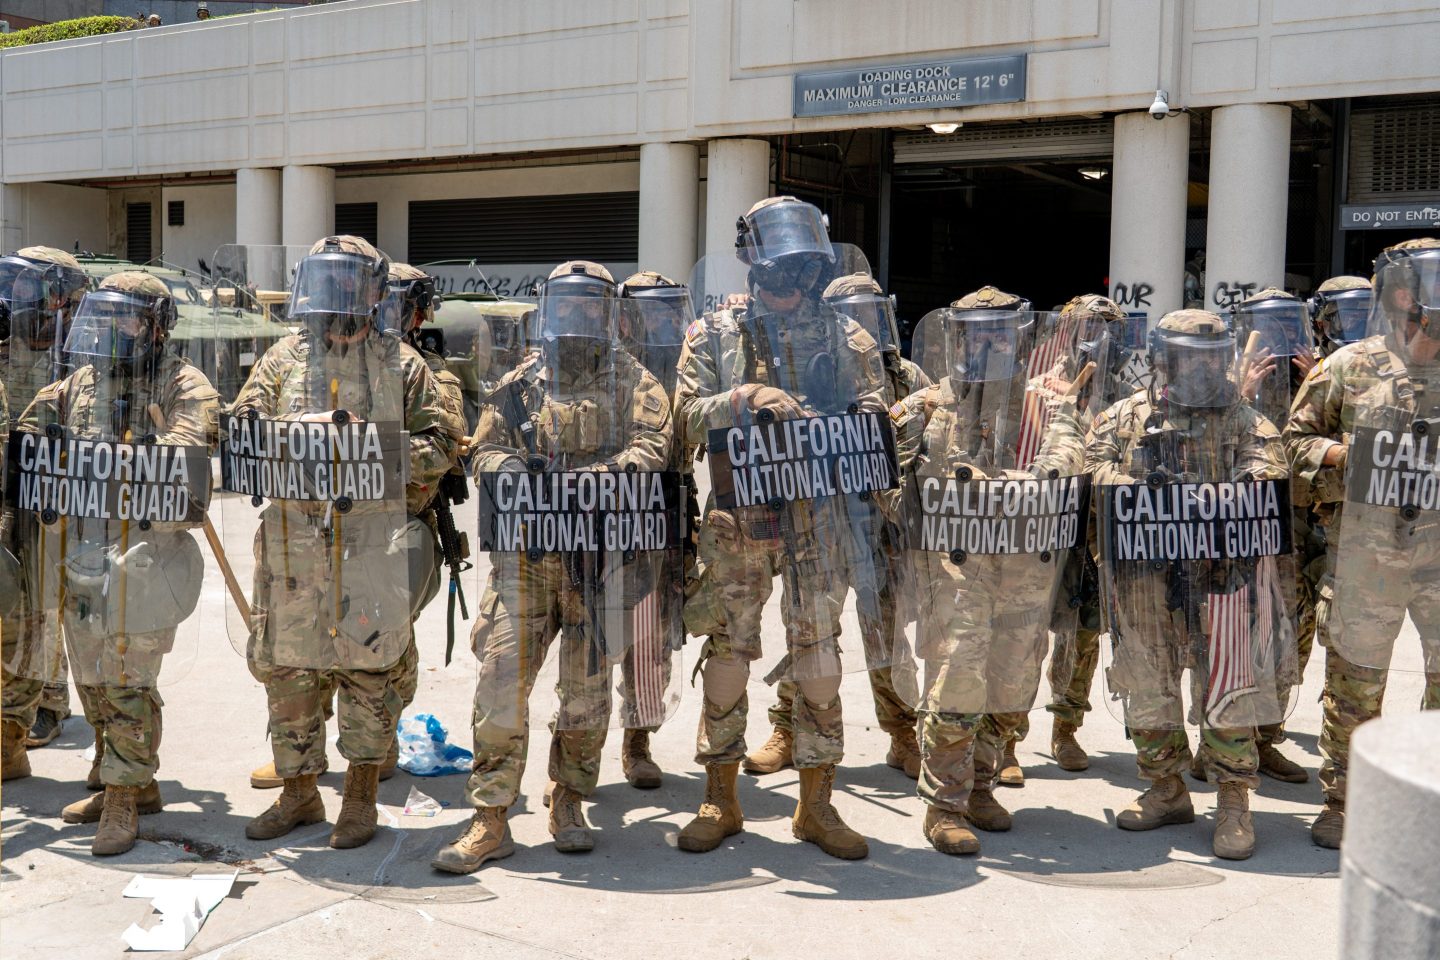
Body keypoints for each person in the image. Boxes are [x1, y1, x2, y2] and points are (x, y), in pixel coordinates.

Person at [432, 261, 673, 873]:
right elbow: (484, 449)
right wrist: (512, 471)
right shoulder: (521, 384)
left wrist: (593, 479)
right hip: (528, 560)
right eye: (567, 305)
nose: (577, 316)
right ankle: (490, 817)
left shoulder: (636, 382)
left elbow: (652, 450)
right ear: (550, 310)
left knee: (586, 695)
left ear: (608, 312)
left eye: (590, 305)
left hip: (601, 559)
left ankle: (569, 800)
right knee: (500, 683)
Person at [675, 197, 889, 861]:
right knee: (730, 656)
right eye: (777, 272)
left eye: (801, 272)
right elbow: (680, 421)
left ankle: (817, 805)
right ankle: (720, 794)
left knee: (819, 659)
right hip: (743, 515)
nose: (789, 287)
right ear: (752, 266)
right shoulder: (713, 336)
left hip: (819, 516)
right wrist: (741, 399)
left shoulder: (847, 337)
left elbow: (878, 422)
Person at [234, 236, 455, 850]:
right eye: (327, 281)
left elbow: (440, 447)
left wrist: (370, 445)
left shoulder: (402, 364)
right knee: (289, 672)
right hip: (293, 550)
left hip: (370, 546)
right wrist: (286, 433)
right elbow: (243, 435)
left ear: (373, 292)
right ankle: (299, 791)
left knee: (369, 669)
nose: (337, 297)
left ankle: (359, 796)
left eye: (350, 283)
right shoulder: (281, 360)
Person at [14, 270, 219, 854]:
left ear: (157, 327)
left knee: (128, 678)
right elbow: (32, 431)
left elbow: (190, 451)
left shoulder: (185, 383)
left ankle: (126, 796)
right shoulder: (78, 381)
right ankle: (120, 778)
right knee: (91, 678)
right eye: (104, 318)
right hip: (82, 556)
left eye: (127, 318)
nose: (113, 330)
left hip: (149, 560)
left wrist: (127, 456)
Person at [1088, 309, 1293, 861]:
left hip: (1222, 580)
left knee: (1228, 688)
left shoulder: (1247, 422)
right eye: (1187, 356)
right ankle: (1166, 788)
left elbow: (1268, 481)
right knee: (1147, 682)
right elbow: (1092, 472)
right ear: (1163, 359)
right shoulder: (1126, 417)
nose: (1200, 367)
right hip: (1144, 579)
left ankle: (1233, 801)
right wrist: (1140, 486)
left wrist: (1211, 496)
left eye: (1209, 357)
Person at [889, 287, 1086, 854]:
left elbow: (1066, 462)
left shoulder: (1043, 406)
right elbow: (884, 472)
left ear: (1019, 338)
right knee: (958, 676)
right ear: (958, 338)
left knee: (1010, 678)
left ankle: (981, 784)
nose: (989, 343)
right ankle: (944, 803)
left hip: (1024, 567)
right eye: (977, 332)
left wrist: (1039, 465)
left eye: (1000, 332)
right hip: (955, 568)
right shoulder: (929, 404)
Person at [744, 273, 929, 780]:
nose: (862, 326)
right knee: (810, 626)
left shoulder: (910, 377)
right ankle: (788, 728)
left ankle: (903, 733)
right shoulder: (812, 366)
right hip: (821, 514)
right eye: (852, 315)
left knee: (887, 633)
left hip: (884, 524)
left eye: (871, 315)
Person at [1287, 238, 1440, 849]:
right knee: (1355, 687)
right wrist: (1344, 457)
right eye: (1413, 285)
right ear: (1394, 294)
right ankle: (1344, 804)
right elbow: (1293, 447)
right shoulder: (1349, 366)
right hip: (1366, 557)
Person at [0, 247, 90, 778]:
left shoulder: (76, 355)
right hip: (10, 489)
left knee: (49, 600)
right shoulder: (8, 346)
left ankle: (50, 703)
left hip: (56, 494)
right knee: (15, 598)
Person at [1037, 294, 1135, 773]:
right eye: (1086, 327)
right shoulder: (1039, 381)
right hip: (1046, 524)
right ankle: (1006, 739)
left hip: (1098, 529)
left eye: (1106, 329)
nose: (1095, 338)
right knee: (1025, 634)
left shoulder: (1128, 390)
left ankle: (1065, 728)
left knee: (1085, 635)